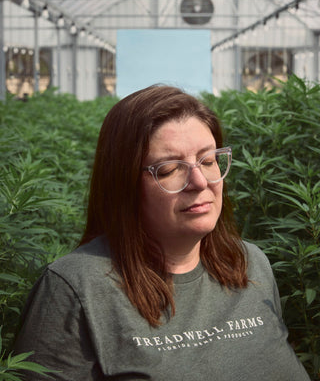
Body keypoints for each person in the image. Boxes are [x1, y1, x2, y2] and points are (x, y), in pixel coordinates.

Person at [14, 85, 310, 380]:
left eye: (208, 161)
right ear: (125, 184)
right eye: (170, 169)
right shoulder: (75, 289)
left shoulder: (250, 263)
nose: (200, 181)